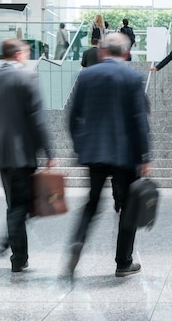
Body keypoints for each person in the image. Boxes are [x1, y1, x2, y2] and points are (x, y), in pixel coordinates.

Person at [67, 33, 151, 278]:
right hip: (126, 154)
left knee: (92, 203)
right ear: (125, 53)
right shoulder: (133, 77)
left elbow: (73, 117)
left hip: (94, 152)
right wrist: (145, 156)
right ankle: (123, 262)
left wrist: (80, 146)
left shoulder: (86, 75)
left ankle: (78, 241)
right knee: (128, 207)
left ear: (103, 51)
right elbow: (139, 120)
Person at [0, 39, 55, 273]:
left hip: (2, 155)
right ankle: (7, 246)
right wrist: (49, 152)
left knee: (15, 204)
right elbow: (37, 119)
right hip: (23, 154)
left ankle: (18, 256)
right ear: (19, 54)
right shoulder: (27, 77)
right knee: (21, 207)